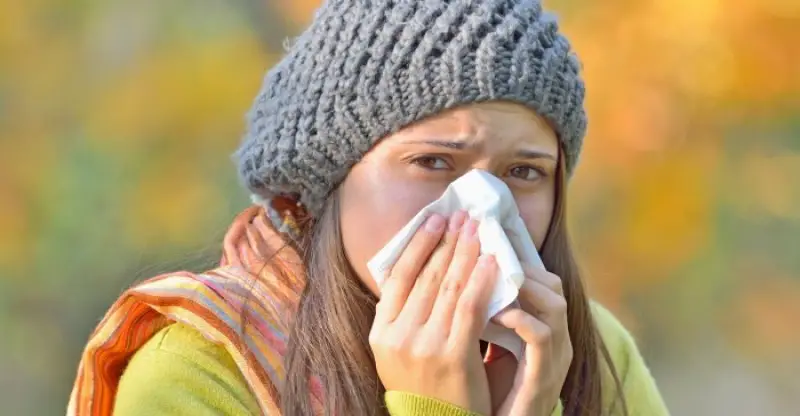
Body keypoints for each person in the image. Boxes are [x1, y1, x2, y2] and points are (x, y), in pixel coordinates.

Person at [68, 0, 670, 415]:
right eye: (433, 162)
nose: (486, 208)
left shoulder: (589, 349)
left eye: (524, 172)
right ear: (328, 179)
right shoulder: (200, 372)